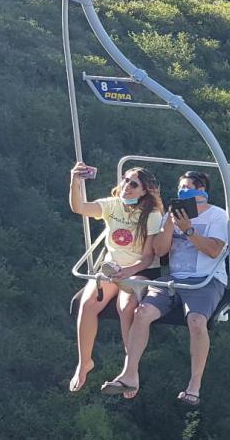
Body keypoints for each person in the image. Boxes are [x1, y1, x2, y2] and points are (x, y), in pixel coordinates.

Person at [103, 171, 228, 406]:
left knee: (196, 321)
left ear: (201, 191)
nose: (182, 193)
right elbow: (160, 251)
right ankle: (129, 374)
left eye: (188, 188)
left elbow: (214, 250)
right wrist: (171, 223)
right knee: (142, 313)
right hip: (173, 279)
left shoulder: (217, 216)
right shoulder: (170, 216)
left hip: (204, 279)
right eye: (180, 188)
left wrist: (189, 229)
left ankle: (194, 385)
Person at [68, 164, 163, 393]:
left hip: (140, 268)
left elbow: (149, 256)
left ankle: (130, 371)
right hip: (112, 268)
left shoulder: (151, 214)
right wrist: (75, 180)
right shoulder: (111, 205)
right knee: (88, 303)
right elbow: (79, 207)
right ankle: (84, 362)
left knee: (126, 307)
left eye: (133, 184)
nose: (126, 187)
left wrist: (128, 272)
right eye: (125, 180)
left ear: (144, 191)